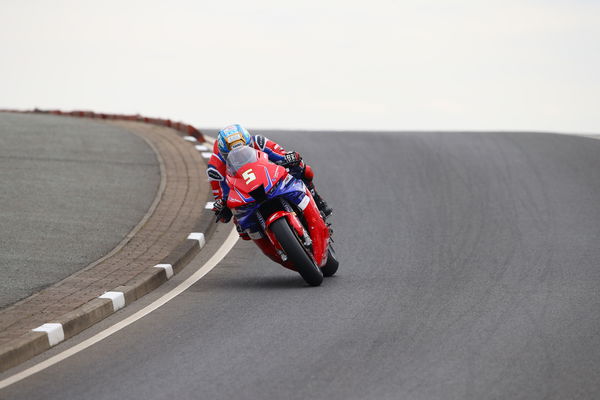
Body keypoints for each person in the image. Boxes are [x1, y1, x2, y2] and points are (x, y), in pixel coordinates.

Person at [206, 124, 332, 245]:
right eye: (232, 154)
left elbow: (281, 155)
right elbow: (221, 195)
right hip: (244, 192)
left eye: (245, 148)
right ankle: (268, 241)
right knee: (240, 227)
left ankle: (318, 200)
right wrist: (220, 206)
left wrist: (290, 158)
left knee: (302, 168)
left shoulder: (259, 141)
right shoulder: (215, 166)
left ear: (249, 142)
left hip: (270, 179)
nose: (240, 155)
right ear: (223, 154)